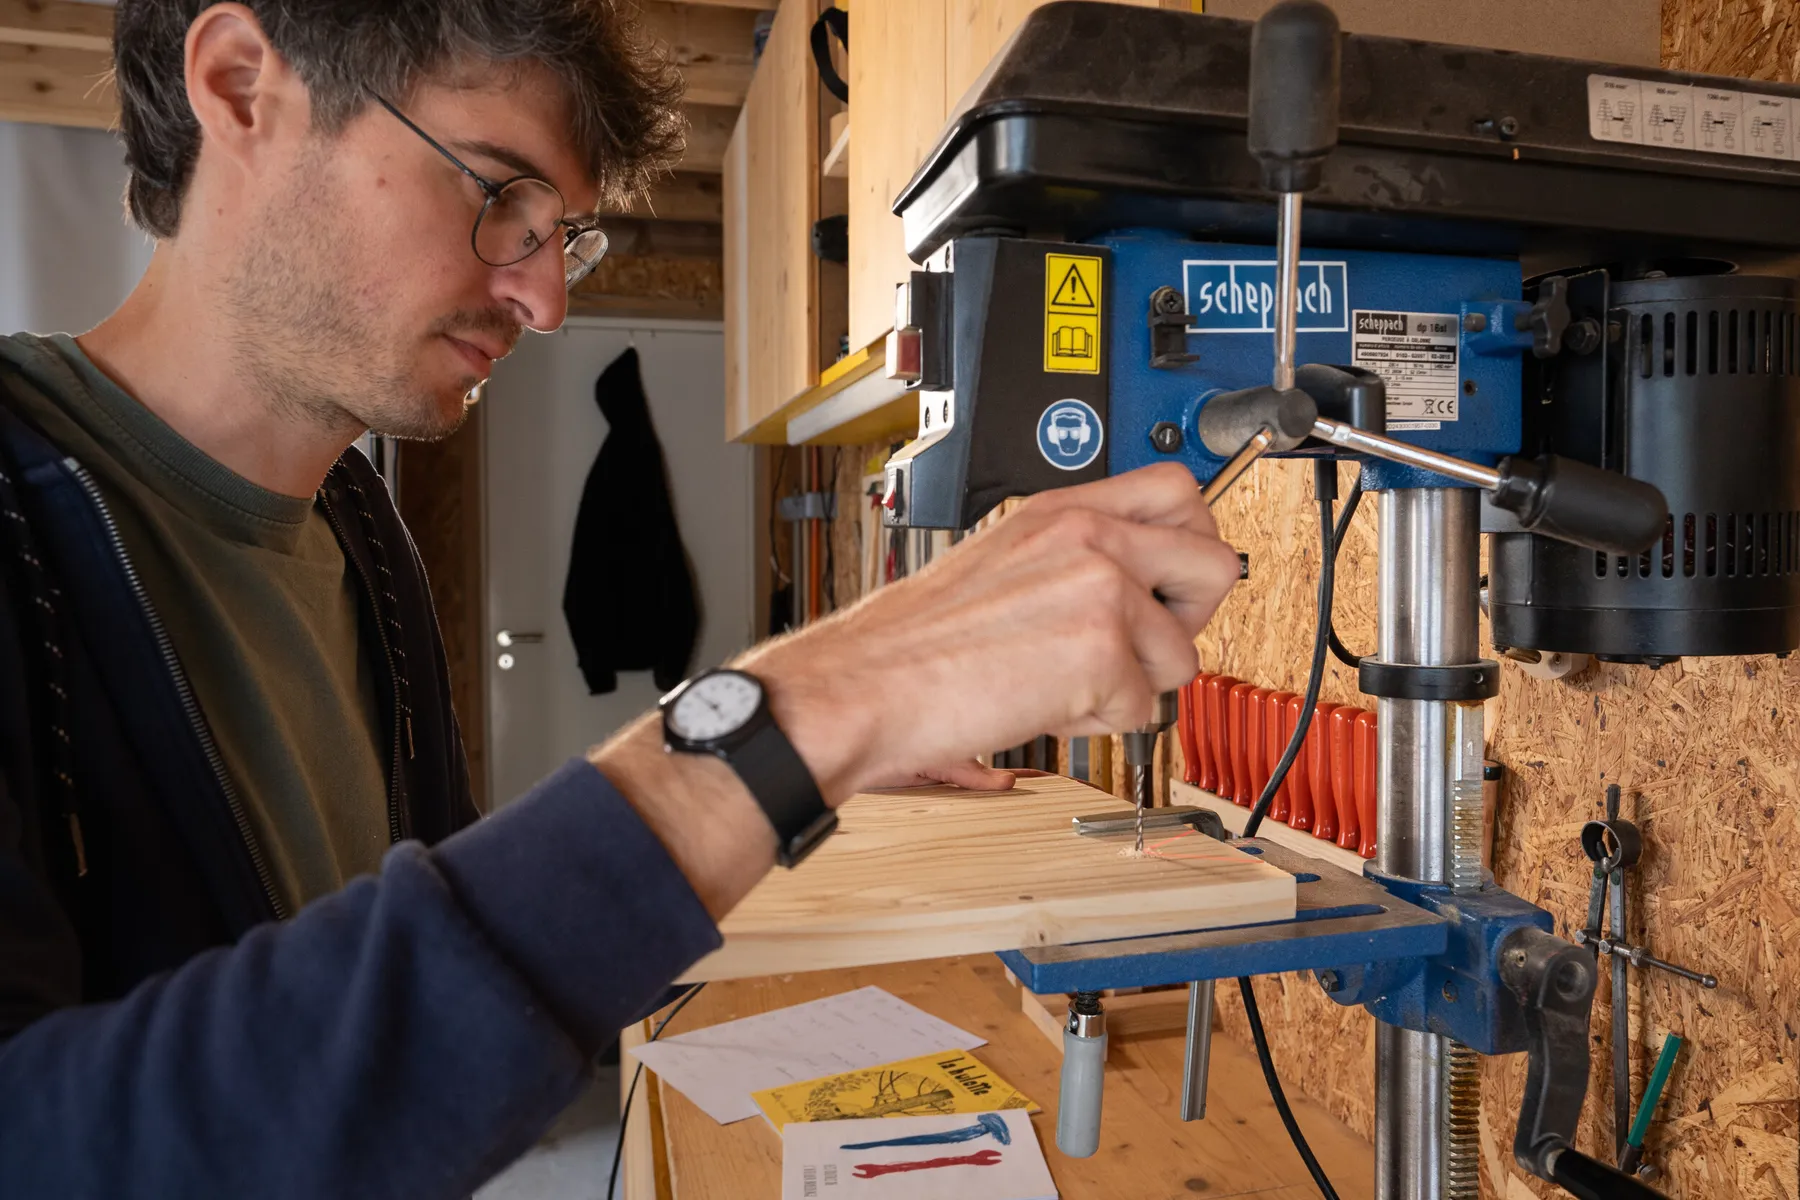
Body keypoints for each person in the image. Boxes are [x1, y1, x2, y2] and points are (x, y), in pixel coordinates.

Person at [0, 1, 1242, 1195]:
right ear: (239, 87)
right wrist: (806, 708)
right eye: (499, 196)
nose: (544, 301)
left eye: (563, 235)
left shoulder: (361, 534)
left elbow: (420, 948)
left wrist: (802, 770)